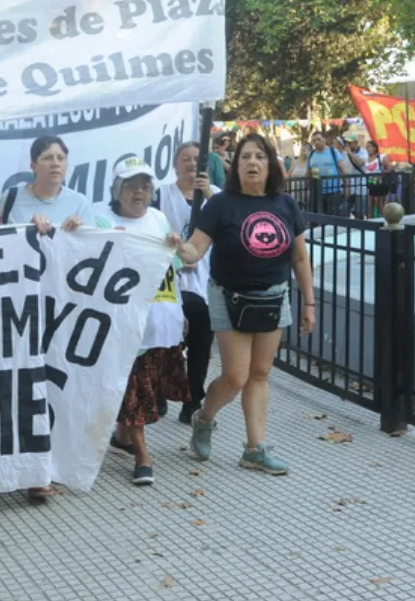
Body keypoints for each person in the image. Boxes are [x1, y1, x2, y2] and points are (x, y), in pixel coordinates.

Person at [178, 133, 316, 476]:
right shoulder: (222, 204)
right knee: (236, 375)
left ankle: (254, 449)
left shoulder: (286, 205)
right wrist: (180, 249)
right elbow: (196, 248)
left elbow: (300, 258)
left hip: (273, 297)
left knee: (260, 373)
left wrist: (309, 303)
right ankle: (204, 417)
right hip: (229, 296)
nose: (252, 163)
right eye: (245, 157)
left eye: (259, 157)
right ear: (235, 166)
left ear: (270, 164)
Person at [0, 135, 92, 501]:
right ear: (33, 164)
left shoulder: (80, 203)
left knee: (55, 384)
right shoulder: (11, 200)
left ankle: (50, 464)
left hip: (64, 311)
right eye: (47, 157)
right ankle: (29, 467)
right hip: (21, 309)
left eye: (61, 158)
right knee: (24, 384)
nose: (55, 163)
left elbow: (102, 246)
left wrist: (82, 231)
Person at [98, 158, 188, 485]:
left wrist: (180, 312)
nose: (139, 192)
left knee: (148, 393)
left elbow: (173, 267)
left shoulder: (160, 218)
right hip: (124, 326)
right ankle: (142, 456)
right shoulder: (101, 220)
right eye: (131, 185)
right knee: (135, 390)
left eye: (145, 185)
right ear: (117, 189)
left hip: (162, 321)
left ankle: (122, 438)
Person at [153, 142, 219, 424]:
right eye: (185, 159)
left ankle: (193, 397)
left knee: (201, 334)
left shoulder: (216, 197)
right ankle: (158, 390)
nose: (192, 164)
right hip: (170, 277)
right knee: (165, 334)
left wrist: (208, 195)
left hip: (205, 277)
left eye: (197, 159)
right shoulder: (161, 195)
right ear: (175, 164)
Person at [307, 132, 348, 216]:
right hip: (317, 192)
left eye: (319, 139)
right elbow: (308, 173)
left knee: (333, 219)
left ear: (324, 139)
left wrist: (347, 188)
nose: (316, 142)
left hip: (333, 191)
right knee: (318, 218)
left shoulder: (333, 152)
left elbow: (343, 170)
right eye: (314, 140)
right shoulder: (311, 155)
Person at [342, 133, 370, 218]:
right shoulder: (344, 154)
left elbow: (359, 163)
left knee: (359, 212)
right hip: (349, 186)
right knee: (345, 211)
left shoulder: (363, 152)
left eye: (350, 143)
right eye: (347, 143)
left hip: (360, 186)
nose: (348, 145)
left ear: (355, 143)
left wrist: (350, 153)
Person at [363, 141, 392, 218]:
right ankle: (370, 222)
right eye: (366, 147)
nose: (367, 148)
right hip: (370, 183)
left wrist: (381, 175)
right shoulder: (366, 158)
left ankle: (386, 220)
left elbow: (389, 168)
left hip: (379, 184)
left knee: (379, 205)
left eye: (369, 146)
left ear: (374, 148)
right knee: (369, 205)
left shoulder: (381, 156)